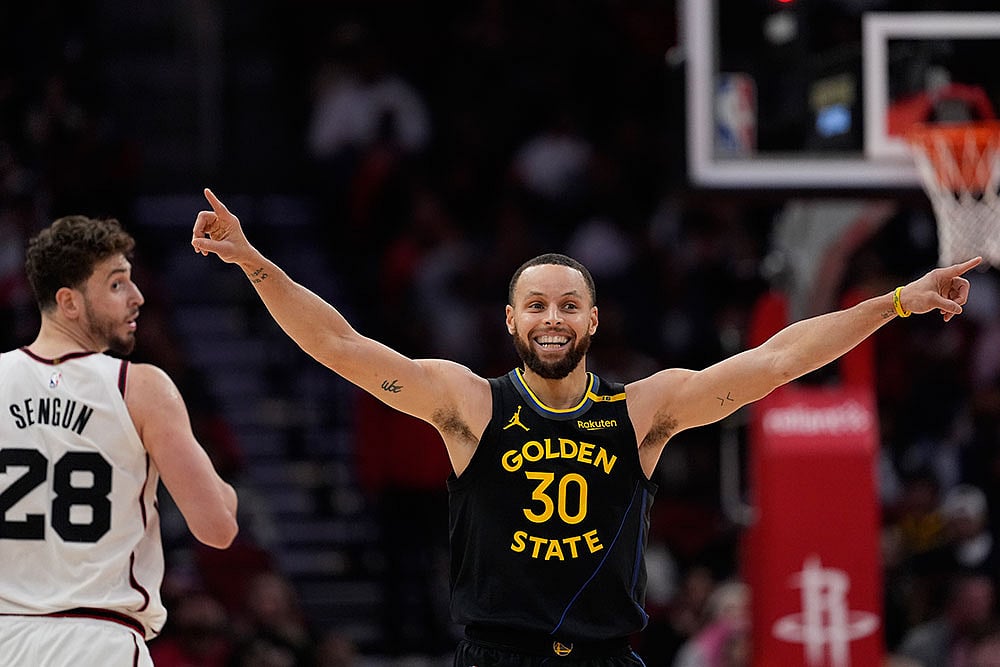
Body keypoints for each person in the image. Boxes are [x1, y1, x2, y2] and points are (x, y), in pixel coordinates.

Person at [191, 188, 980, 665]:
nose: (553, 317)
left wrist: (896, 301)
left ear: (593, 319)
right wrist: (252, 260)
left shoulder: (644, 409)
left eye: (568, 304)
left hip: (607, 658)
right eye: (537, 304)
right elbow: (339, 345)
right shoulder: (469, 404)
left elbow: (777, 360)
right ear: (509, 320)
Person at [0, 215, 239, 666]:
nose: (138, 298)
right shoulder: (141, 387)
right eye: (116, 285)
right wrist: (223, 493)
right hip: (98, 642)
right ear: (69, 302)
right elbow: (218, 528)